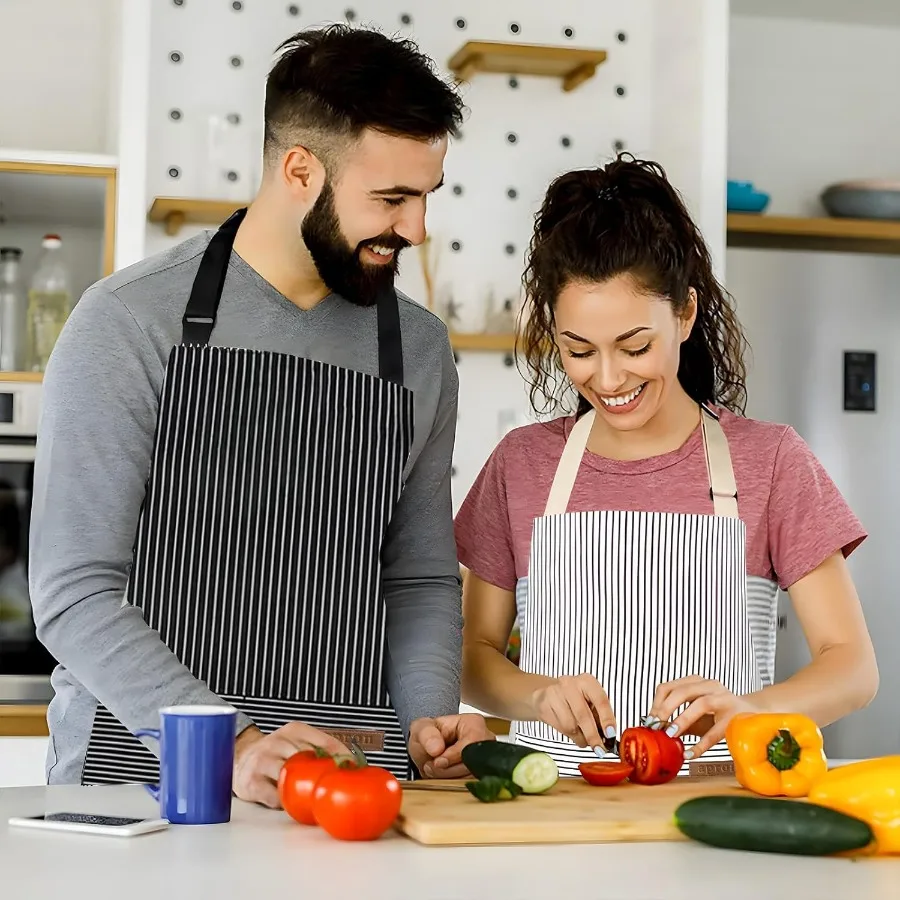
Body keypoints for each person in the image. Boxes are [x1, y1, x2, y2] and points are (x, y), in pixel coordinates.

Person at [29, 23, 493, 806]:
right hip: (136, 775)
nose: (416, 228)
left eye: (424, 197)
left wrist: (424, 721)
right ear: (299, 169)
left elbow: (417, 578)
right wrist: (233, 742)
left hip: (344, 785)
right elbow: (75, 593)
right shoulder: (128, 321)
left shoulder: (418, 348)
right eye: (391, 198)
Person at [454, 155, 878, 776]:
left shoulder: (771, 460)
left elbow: (853, 668)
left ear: (683, 315)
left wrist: (753, 710)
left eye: (635, 346)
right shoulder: (523, 463)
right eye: (579, 350)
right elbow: (473, 655)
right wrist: (539, 696)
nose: (608, 377)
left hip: (721, 804)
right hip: (556, 812)